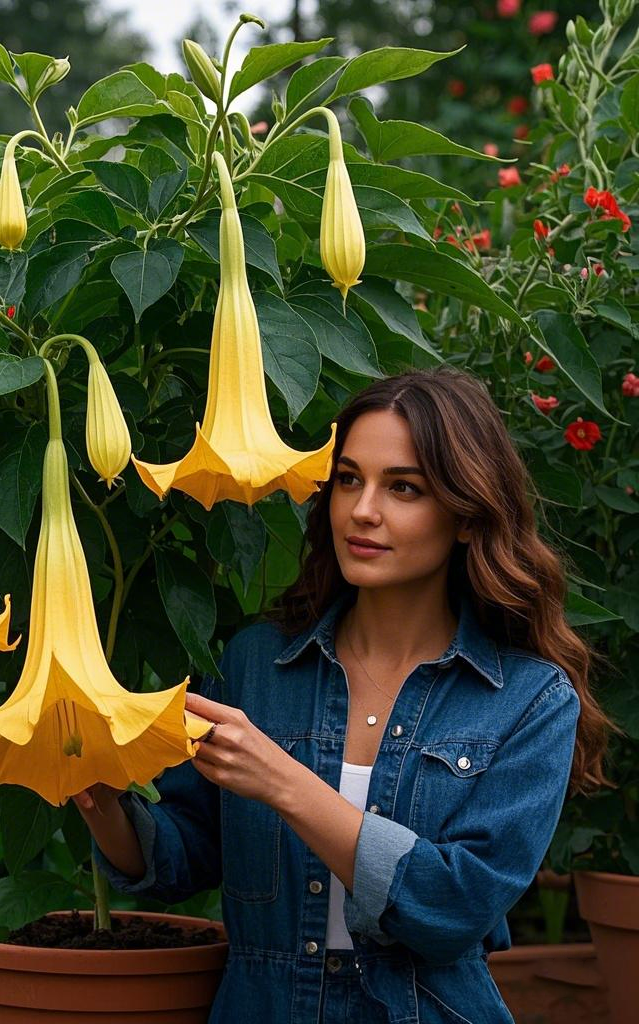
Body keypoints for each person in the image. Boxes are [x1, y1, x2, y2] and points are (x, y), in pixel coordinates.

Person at [71, 366, 615, 1024]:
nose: (362, 509)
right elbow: (181, 854)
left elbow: (454, 908)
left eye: (404, 488)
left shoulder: (529, 700)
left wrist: (284, 782)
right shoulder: (255, 664)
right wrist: (97, 795)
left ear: (467, 517)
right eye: (349, 479)